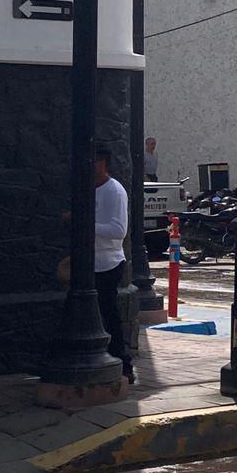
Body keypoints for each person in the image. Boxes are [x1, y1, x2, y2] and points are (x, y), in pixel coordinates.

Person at [93, 145, 134, 383]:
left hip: (108, 263)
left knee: (109, 314)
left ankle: (124, 364)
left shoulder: (114, 191)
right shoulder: (91, 189)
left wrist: (85, 224)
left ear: (104, 163)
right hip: (91, 262)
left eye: (96, 159)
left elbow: (119, 230)